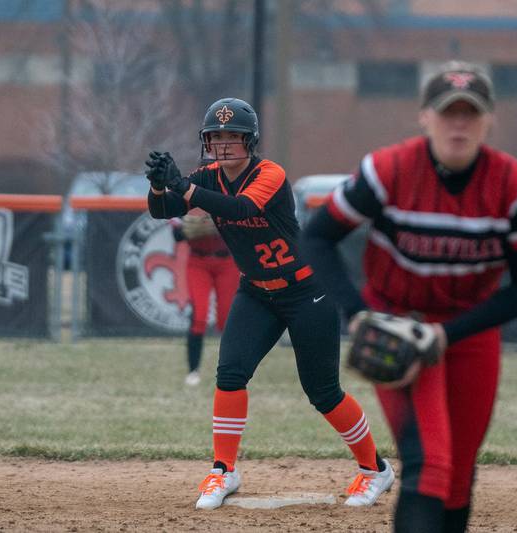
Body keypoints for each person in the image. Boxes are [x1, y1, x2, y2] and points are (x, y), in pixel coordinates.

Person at [301, 61, 517, 533]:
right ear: (425, 116)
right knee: (431, 464)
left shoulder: (516, 188)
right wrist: (358, 316)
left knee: (458, 475)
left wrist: (449, 333)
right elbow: (316, 238)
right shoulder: (389, 170)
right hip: (397, 324)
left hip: (469, 330)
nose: (458, 123)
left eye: (470, 112)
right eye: (447, 112)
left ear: (489, 120)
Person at [144, 97, 393, 511]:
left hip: (306, 290)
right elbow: (161, 210)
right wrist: (157, 184)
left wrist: (185, 187)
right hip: (257, 291)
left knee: (323, 391)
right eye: (217, 136)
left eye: (233, 136)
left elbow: (240, 208)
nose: (224, 145)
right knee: (230, 374)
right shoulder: (208, 176)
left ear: (250, 141)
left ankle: (375, 469)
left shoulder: (270, 173)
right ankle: (223, 470)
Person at [170, 210, 240, 386]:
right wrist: (190, 228)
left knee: (226, 319)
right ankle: (193, 371)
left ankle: (234, 370)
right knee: (199, 317)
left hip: (227, 262)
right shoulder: (185, 193)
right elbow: (177, 235)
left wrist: (221, 224)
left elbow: (244, 224)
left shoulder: (226, 189)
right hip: (198, 261)